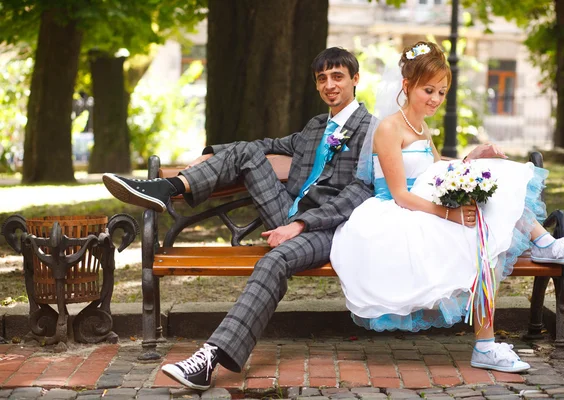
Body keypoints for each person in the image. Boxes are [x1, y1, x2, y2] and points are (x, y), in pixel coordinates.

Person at [102, 47, 374, 390]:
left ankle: (209, 359)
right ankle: (166, 187)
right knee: (246, 150)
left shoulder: (371, 130)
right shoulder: (316, 126)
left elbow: (359, 193)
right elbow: (263, 144)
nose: (329, 85)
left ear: (355, 79)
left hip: (326, 228)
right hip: (286, 211)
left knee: (273, 262)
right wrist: (210, 158)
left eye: (337, 77)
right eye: (322, 78)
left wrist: (301, 224)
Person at [330, 41, 564, 374]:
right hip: (401, 214)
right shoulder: (388, 128)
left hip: (425, 203)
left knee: (491, 196)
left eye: (442, 92)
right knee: (482, 237)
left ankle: (543, 249)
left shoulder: (420, 126)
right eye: (429, 90)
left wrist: (472, 160)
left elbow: (437, 165)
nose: (436, 100)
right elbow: (400, 195)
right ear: (406, 85)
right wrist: (450, 213)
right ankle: (490, 335)